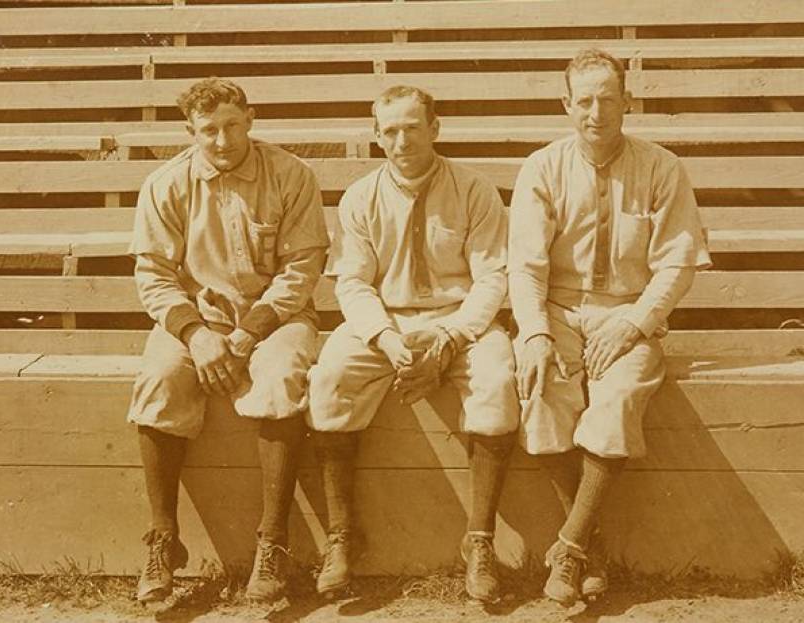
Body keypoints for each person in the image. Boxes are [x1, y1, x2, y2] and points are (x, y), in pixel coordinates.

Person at [508, 49, 712, 607]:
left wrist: (636, 323)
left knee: (619, 397)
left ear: (627, 101)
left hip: (628, 312)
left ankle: (569, 545)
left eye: (607, 99)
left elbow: (677, 263)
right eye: (584, 101)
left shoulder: (661, 166)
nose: (595, 112)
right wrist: (534, 333)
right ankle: (589, 549)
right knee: (541, 387)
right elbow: (525, 266)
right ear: (566, 104)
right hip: (558, 311)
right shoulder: (543, 167)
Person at [306, 85, 520, 604]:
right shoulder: (362, 197)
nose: (402, 140)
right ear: (377, 136)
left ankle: (480, 540)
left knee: (496, 381)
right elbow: (352, 283)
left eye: (412, 127)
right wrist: (383, 336)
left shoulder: (472, 189)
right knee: (330, 377)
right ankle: (341, 535)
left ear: (434, 128)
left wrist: (451, 336)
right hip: (387, 320)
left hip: (459, 319)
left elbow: (493, 277)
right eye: (390, 131)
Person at [126, 77, 329, 604]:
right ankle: (164, 540)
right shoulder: (166, 184)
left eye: (233, 125)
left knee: (283, 375)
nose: (222, 140)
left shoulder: (290, 174)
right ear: (190, 131)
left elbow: (303, 265)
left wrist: (249, 332)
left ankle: (272, 543)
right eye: (209, 130)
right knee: (159, 379)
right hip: (197, 321)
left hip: (275, 319)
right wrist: (195, 334)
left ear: (251, 118)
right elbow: (153, 273)